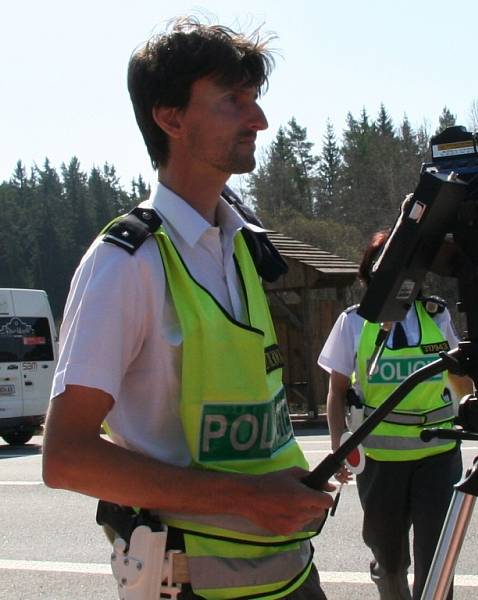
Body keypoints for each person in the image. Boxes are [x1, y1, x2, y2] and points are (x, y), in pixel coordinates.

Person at [41, 17, 334, 600]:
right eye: (233, 100)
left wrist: (287, 485)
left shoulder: (245, 248)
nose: (259, 120)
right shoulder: (123, 264)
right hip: (191, 585)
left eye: (254, 99)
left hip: (291, 573)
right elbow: (65, 457)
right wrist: (251, 498)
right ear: (171, 118)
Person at [318, 230, 474, 600]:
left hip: (438, 456)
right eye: (383, 266)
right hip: (380, 463)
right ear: (370, 273)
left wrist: (474, 402)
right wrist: (339, 448)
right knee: (389, 557)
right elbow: (336, 392)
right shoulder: (353, 322)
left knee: (437, 558)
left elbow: (458, 378)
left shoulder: (436, 315)